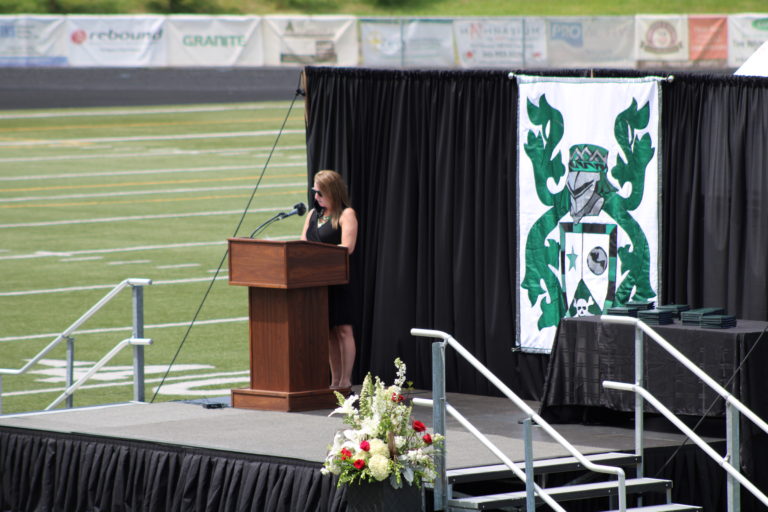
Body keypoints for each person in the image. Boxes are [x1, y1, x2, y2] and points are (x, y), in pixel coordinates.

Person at [301, 170, 358, 390]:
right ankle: (334, 380)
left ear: (332, 192)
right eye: (314, 192)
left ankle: (346, 380)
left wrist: (319, 254)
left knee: (343, 330)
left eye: (320, 193)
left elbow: (347, 248)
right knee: (328, 332)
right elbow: (302, 244)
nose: (316, 197)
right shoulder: (313, 215)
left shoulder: (346, 214)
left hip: (338, 280)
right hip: (316, 282)